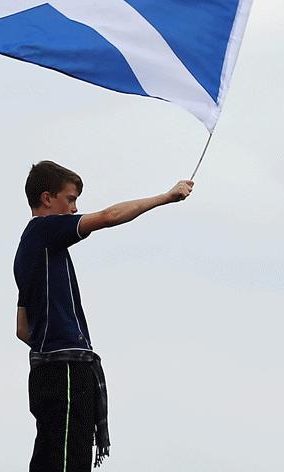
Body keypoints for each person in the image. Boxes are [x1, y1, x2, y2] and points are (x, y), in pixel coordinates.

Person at [14, 160, 193, 470]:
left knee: (52, 454)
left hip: (48, 371)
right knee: (67, 461)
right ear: (46, 198)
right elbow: (109, 216)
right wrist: (166, 197)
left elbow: (22, 329)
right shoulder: (44, 231)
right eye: (70, 199)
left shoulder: (30, 252)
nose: (73, 209)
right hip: (66, 369)